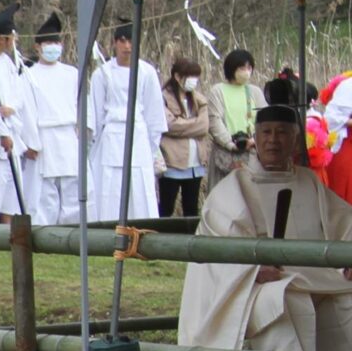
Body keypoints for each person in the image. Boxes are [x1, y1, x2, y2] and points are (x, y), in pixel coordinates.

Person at [176, 75, 352, 351]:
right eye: (267, 133)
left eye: (282, 133)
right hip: (253, 284)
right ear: (255, 138)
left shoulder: (308, 182)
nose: (274, 140)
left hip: (313, 276)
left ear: (295, 140)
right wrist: (253, 269)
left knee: (346, 296)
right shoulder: (234, 187)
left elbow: (345, 221)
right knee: (287, 296)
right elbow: (218, 244)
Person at [86, 22, 165, 223]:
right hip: (111, 136)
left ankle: (142, 229)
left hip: (138, 135)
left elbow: (154, 112)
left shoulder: (146, 72)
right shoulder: (102, 73)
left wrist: (151, 146)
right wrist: (93, 145)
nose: (127, 46)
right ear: (115, 43)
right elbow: (95, 113)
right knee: (110, 185)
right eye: (122, 41)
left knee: (139, 185)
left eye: (131, 41)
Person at [20, 13, 84, 226]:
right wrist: (32, 142)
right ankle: (44, 232)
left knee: (72, 189)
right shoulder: (29, 75)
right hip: (44, 137)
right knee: (44, 194)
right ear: (37, 47)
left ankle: (73, 231)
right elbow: (27, 111)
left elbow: (82, 107)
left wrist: (82, 135)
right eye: (48, 43)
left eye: (56, 43)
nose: (53, 47)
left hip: (68, 137)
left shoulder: (72, 73)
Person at [0, 6, 37, 220]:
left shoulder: (9, 62)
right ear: (3, 39)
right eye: (12, 36)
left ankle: (7, 228)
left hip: (12, 129)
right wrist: (1, 131)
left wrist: (11, 107)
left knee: (11, 197)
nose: (14, 40)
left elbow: (18, 96)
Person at [158, 55, 211, 219]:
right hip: (172, 163)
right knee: (166, 208)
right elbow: (169, 125)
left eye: (196, 77)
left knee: (191, 209)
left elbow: (204, 126)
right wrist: (194, 125)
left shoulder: (199, 99)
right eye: (190, 76)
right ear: (177, 76)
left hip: (195, 164)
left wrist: (184, 124)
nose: (193, 81)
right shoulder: (163, 97)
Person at [208, 48, 258, 188]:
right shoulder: (218, 90)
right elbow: (214, 120)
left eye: (249, 68)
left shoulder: (254, 92)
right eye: (242, 68)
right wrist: (230, 144)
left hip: (251, 153)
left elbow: (264, 119)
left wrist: (255, 140)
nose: (246, 72)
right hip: (225, 153)